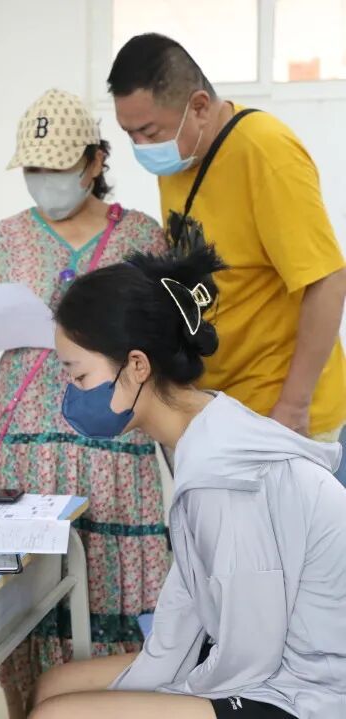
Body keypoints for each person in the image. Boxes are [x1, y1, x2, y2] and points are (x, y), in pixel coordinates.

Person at [29, 242, 346, 719]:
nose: (72, 395)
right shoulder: (207, 424)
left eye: (79, 376)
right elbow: (204, 605)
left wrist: (173, 691)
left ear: (137, 365)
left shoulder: (222, 476)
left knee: (57, 714)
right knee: (53, 684)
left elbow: (251, 653)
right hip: (267, 651)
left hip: (309, 688)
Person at [0, 88, 170, 716]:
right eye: (34, 168)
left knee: (116, 600)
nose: (45, 181)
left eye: (59, 166)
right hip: (27, 455)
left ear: (95, 161)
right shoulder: (3, 240)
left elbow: (167, 340)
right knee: (29, 609)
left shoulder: (141, 237)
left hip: (115, 454)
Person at [107, 34, 346, 483]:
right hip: (218, 411)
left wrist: (293, 408)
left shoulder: (266, 153)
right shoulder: (180, 160)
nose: (141, 146)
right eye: (129, 134)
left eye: (150, 133)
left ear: (199, 106)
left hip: (280, 417)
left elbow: (327, 280)